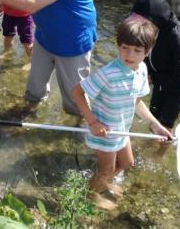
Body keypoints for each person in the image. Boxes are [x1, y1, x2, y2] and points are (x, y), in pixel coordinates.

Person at [71, 19, 173, 211]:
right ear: (118, 46)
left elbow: (136, 101)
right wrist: (92, 122)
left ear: (148, 51)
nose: (129, 55)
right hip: (105, 132)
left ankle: (103, 184)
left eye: (137, 50)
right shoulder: (109, 73)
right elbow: (77, 92)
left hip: (122, 129)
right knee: (107, 169)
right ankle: (89, 197)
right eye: (125, 48)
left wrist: (156, 125)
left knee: (127, 162)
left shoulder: (141, 69)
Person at [130, 0, 180, 131]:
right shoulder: (151, 30)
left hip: (176, 89)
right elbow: (147, 53)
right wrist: (145, 71)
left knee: (165, 125)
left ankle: (159, 151)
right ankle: (152, 146)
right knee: (153, 118)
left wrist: (155, 77)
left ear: (156, 20)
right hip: (159, 80)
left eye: (143, 22)